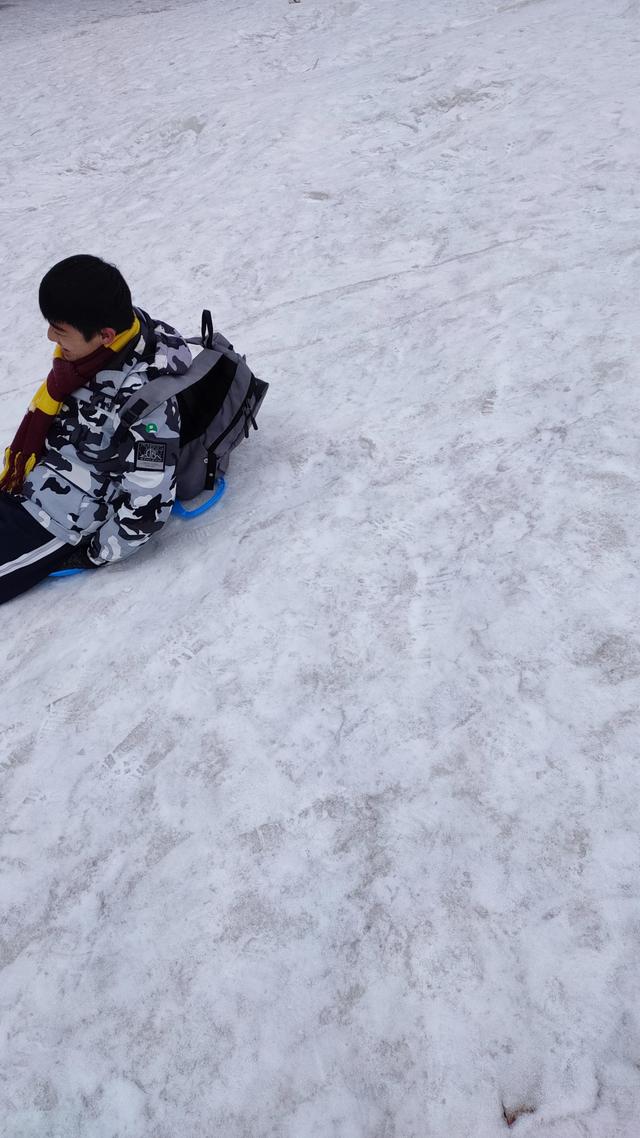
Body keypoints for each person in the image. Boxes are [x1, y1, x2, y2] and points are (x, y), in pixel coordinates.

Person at [0, 254, 192, 605]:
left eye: (59, 330)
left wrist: (98, 552)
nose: (49, 337)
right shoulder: (88, 356)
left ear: (105, 335)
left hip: (55, 521)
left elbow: (149, 501)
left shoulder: (147, 401)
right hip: (26, 482)